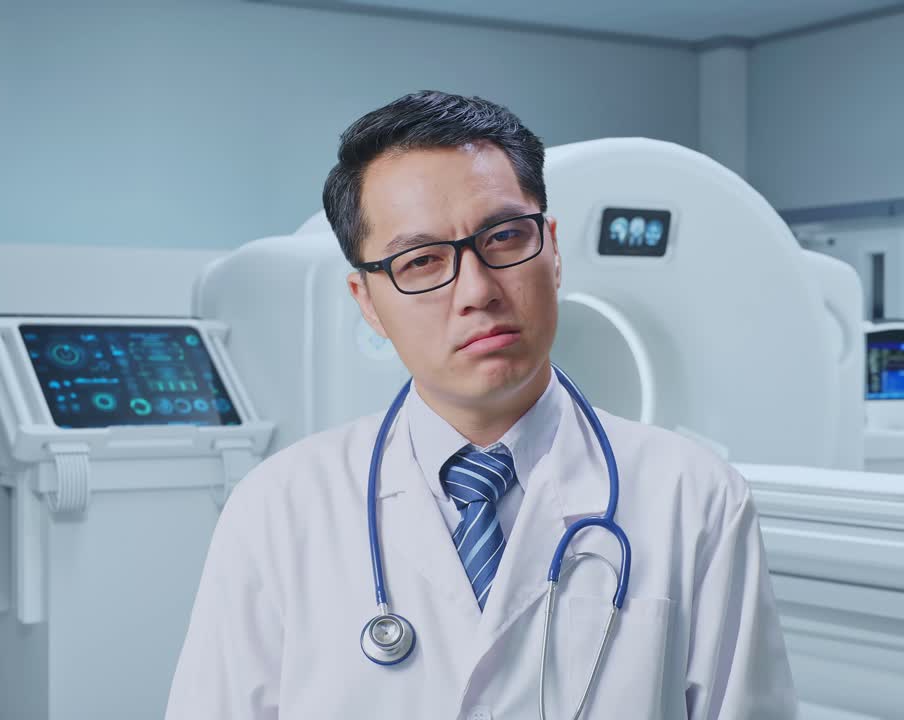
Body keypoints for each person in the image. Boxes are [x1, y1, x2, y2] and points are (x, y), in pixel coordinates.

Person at [166, 90, 796, 719]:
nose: (477, 290)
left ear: (551, 250)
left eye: (503, 237)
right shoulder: (278, 510)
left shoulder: (695, 498)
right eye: (422, 261)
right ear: (367, 301)